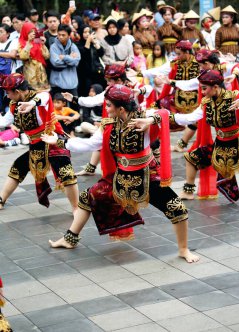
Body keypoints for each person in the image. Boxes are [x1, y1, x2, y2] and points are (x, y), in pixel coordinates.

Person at [42, 84, 199, 263]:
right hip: (121, 177)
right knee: (87, 197)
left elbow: (176, 117)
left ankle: (184, 250)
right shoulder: (108, 125)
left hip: (146, 176)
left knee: (177, 209)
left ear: (121, 108)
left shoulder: (144, 117)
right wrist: (60, 142)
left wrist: (151, 120)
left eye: (109, 105)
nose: (105, 108)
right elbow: (90, 145)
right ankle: (70, 239)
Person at [0, 73, 78, 212]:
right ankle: (1, 199)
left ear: (17, 91)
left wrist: (31, 103)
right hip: (36, 146)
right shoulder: (14, 105)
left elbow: (44, 97)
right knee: (18, 167)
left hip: (52, 141)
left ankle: (77, 208)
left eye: (8, 93)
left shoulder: (39, 98)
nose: (8, 96)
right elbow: (4, 121)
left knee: (66, 173)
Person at [171, 70, 239, 202]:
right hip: (221, 143)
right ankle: (188, 191)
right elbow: (191, 118)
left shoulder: (233, 96)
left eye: (204, 88)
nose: (202, 92)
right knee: (192, 158)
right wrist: (162, 117)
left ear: (215, 87)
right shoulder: (206, 102)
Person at [159, 40, 200, 151]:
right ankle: (167, 143)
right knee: (160, 106)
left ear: (187, 52)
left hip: (199, 96)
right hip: (179, 96)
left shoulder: (199, 61)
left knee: (199, 121)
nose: (176, 56)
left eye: (179, 54)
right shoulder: (174, 63)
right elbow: (159, 70)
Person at [49, 24, 81, 99]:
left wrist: (64, 57)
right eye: (59, 34)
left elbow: (76, 62)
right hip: (57, 84)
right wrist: (70, 58)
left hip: (72, 84)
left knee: (74, 108)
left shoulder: (73, 46)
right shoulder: (53, 47)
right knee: (57, 109)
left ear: (69, 36)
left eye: (63, 35)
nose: (60, 37)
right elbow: (56, 63)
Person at [18, 22, 50, 90]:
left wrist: (43, 45)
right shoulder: (21, 43)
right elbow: (23, 56)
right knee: (32, 93)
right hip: (30, 74)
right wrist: (29, 43)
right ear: (25, 32)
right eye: (30, 32)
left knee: (43, 94)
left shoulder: (37, 42)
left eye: (34, 31)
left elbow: (47, 56)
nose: (33, 33)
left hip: (41, 74)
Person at [76, 24, 105, 96]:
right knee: (86, 94)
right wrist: (88, 41)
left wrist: (95, 42)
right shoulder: (78, 45)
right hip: (84, 76)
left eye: (89, 32)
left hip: (96, 74)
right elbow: (85, 54)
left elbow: (101, 53)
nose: (87, 34)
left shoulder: (93, 44)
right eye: (84, 32)